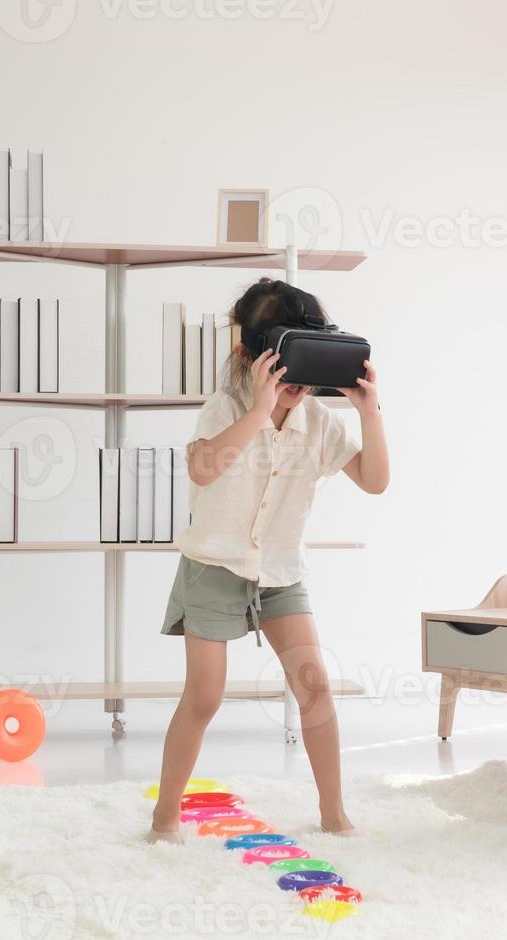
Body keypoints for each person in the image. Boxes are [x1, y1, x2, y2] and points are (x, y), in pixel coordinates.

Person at [147, 279, 387, 843]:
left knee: (314, 686)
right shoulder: (226, 408)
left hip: (280, 573)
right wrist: (258, 409)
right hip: (214, 566)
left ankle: (333, 810)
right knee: (204, 695)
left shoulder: (320, 424)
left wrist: (370, 413)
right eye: (284, 367)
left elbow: (375, 482)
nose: (295, 386)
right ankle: (165, 816)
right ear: (250, 359)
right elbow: (204, 469)